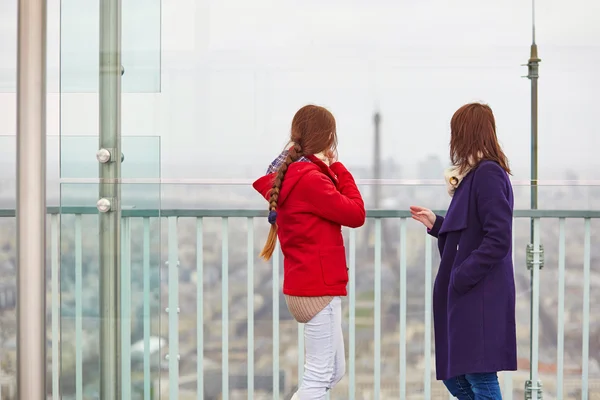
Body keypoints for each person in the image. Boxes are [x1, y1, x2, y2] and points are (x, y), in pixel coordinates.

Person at [253, 104, 365, 399]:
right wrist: (338, 168)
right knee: (318, 377)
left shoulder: (290, 175)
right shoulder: (311, 180)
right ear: (326, 137)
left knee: (332, 370)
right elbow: (356, 214)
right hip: (319, 288)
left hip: (303, 284)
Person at [410, 102, 517, 399]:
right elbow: (472, 230)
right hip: (473, 290)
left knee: (478, 376)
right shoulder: (475, 175)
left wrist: (462, 275)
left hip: (479, 291)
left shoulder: (487, 175)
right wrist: (437, 224)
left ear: (466, 134)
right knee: (458, 375)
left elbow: (498, 238)